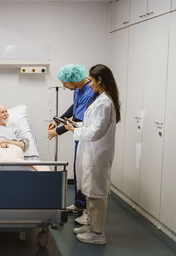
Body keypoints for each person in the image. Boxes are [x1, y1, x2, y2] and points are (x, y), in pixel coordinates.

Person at [64, 64, 120, 245]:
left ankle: (98, 233)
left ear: (99, 80)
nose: (89, 84)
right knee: (89, 190)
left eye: (91, 80)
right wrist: (77, 126)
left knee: (96, 194)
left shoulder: (104, 103)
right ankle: (90, 224)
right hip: (91, 152)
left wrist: (74, 129)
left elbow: (95, 132)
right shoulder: (100, 99)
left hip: (97, 155)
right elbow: (91, 126)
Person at [48, 63, 95, 224]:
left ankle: (87, 210)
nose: (63, 85)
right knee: (78, 170)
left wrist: (58, 132)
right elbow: (73, 108)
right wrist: (57, 119)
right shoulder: (78, 88)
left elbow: (77, 120)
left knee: (84, 172)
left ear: (74, 80)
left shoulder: (90, 92)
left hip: (86, 137)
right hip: (79, 136)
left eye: (66, 83)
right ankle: (79, 204)